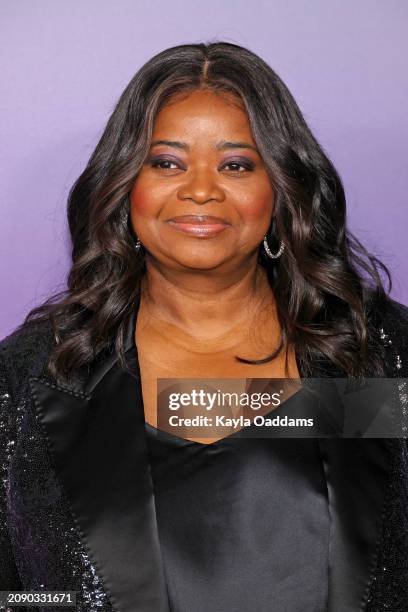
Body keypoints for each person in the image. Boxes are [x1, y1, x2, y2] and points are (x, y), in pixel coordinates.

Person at [1, 41, 407, 612]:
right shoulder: (33, 373)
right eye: (166, 162)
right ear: (124, 185)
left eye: (236, 164)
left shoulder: (377, 352)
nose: (200, 190)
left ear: (282, 189)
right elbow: (17, 593)